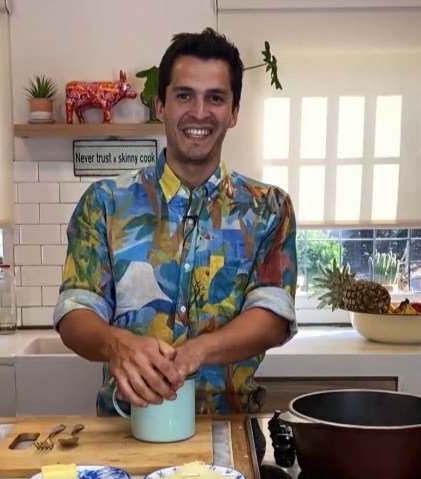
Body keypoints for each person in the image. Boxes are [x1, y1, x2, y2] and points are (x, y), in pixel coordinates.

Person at [53, 27, 298, 416]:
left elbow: (273, 317)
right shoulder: (104, 202)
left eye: (215, 98)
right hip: (126, 427)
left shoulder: (268, 208)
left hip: (229, 425)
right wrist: (118, 344)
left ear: (234, 113)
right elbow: (74, 312)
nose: (199, 112)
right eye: (184, 95)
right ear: (161, 106)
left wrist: (197, 351)